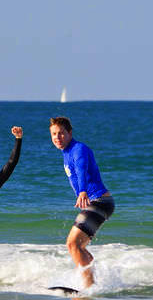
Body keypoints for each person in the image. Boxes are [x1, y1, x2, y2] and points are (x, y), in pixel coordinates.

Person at [49, 116, 114, 290]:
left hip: (100, 201)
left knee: (72, 244)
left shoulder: (79, 149)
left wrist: (83, 191)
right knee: (78, 247)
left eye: (61, 133)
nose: (57, 137)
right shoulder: (66, 153)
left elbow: (81, 169)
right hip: (99, 203)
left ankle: (88, 286)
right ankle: (96, 282)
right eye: (54, 134)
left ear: (70, 133)